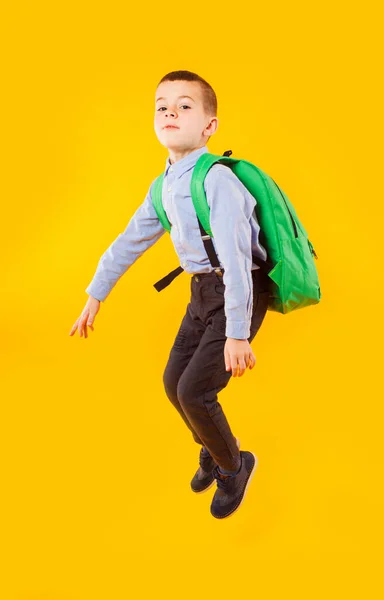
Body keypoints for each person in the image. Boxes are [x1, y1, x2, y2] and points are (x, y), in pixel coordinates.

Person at [69, 70, 271, 519]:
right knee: (171, 385)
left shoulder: (216, 180)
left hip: (237, 291)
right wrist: (95, 294)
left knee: (195, 391)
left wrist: (238, 334)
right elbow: (128, 242)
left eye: (184, 106)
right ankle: (218, 450)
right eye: (162, 106)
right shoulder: (162, 186)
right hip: (201, 293)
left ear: (209, 126)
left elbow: (238, 261)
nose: (170, 112)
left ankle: (235, 466)